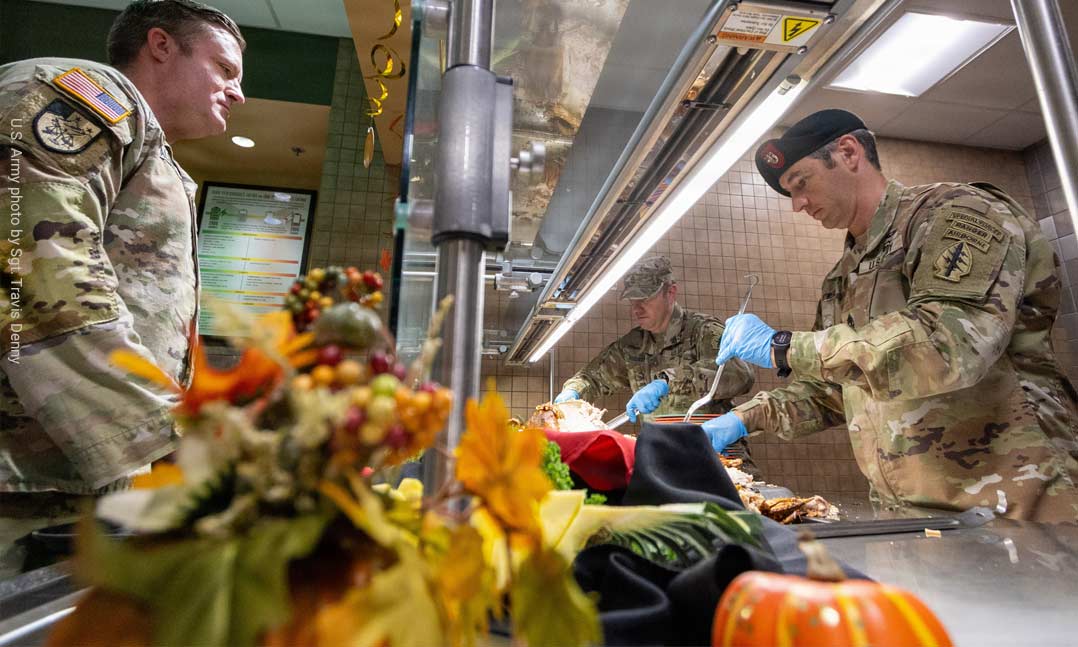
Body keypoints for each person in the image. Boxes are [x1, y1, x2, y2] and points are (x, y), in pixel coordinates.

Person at [702, 109, 1078, 522]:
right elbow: (835, 388)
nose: (797, 205)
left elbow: (948, 345)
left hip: (1018, 504)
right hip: (914, 515)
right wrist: (743, 418)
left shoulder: (955, 213)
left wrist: (783, 346)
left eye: (801, 182)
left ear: (848, 152)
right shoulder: (843, 276)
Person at [0, 0, 246, 560]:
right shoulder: (82, 95)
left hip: (66, 478)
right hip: (18, 482)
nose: (237, 93)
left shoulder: (153, 153)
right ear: (161, 45)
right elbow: (37, 265)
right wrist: (168, 438)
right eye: (224, 69)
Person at [555, 256, 758, 467]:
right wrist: (573, 391)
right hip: (663, 459)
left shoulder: (703, 331)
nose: (637, 308)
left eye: (645, 298)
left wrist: (667, 382)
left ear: (670, 292)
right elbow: (592, 377)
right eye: (633, 301)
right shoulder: (632, 345)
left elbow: (740, 375)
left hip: (717, 455)